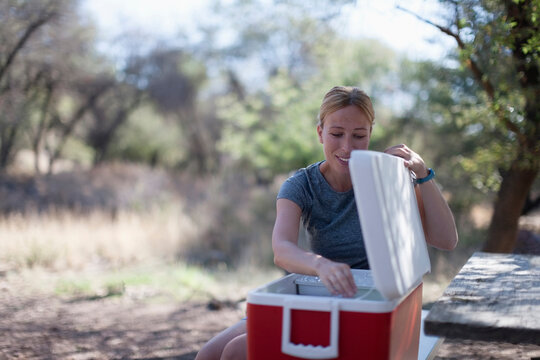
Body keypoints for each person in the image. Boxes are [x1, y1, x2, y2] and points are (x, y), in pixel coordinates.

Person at [195, 86, 458, 360]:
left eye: (359, 135)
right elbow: (281, 249)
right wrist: (320, 264)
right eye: (336, 134)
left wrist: (423, 173)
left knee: (237, 352)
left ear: (370, 134)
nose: (347, 146)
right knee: (209, 354)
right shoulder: (301, 185)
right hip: (318, 294)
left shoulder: (387, 178)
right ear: (320, 132)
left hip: (372, 305)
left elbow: (446, 240)